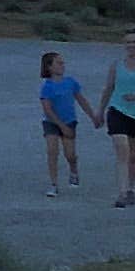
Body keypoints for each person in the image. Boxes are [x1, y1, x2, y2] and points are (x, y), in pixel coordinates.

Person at [98, 33, 135, 208]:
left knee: (134, 155)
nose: (131, 45)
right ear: (124, 45)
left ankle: (131, 188)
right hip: (117, 110)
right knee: (122, 149)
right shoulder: (116, 65)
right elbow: (108, 88)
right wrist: (100, 111)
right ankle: (122, 193)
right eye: (128, 42)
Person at [37, 51, 86, 194]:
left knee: (70, 154)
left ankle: (74, 170)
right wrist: (61, 126)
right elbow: (48, 110)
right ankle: (53, 184)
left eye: (62, 62)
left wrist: (94, 116)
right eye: (58, 63)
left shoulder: (71, 82)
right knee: (52, 151)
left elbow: (81, 100)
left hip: (69, 121)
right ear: (49, 67)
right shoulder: (47, 87)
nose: (62, 65)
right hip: (51, 122)